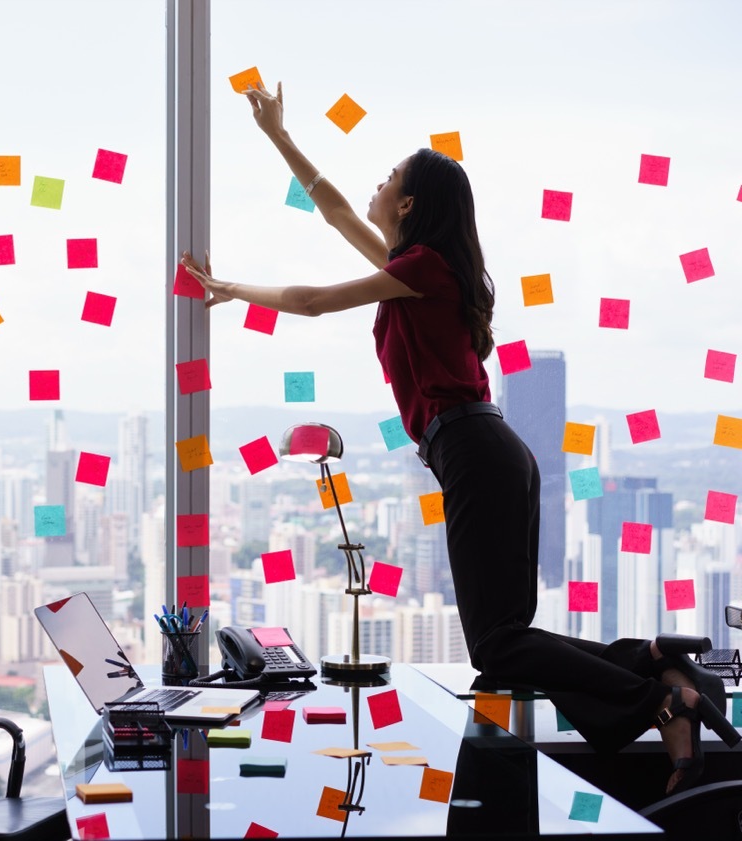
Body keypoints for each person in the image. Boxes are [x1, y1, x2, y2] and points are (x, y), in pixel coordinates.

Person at [180, 81, 739, 796]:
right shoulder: (417, 268)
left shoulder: (421, 270)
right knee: (504, 647)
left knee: (497, 642)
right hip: (488, 451)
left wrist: (229, 286)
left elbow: (314, 302)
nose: (377, 185)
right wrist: (278, 135)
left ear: (410, 205)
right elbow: (337, 212)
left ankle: (661, 700)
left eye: (389, 178)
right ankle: (653, 661)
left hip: (476, 451)